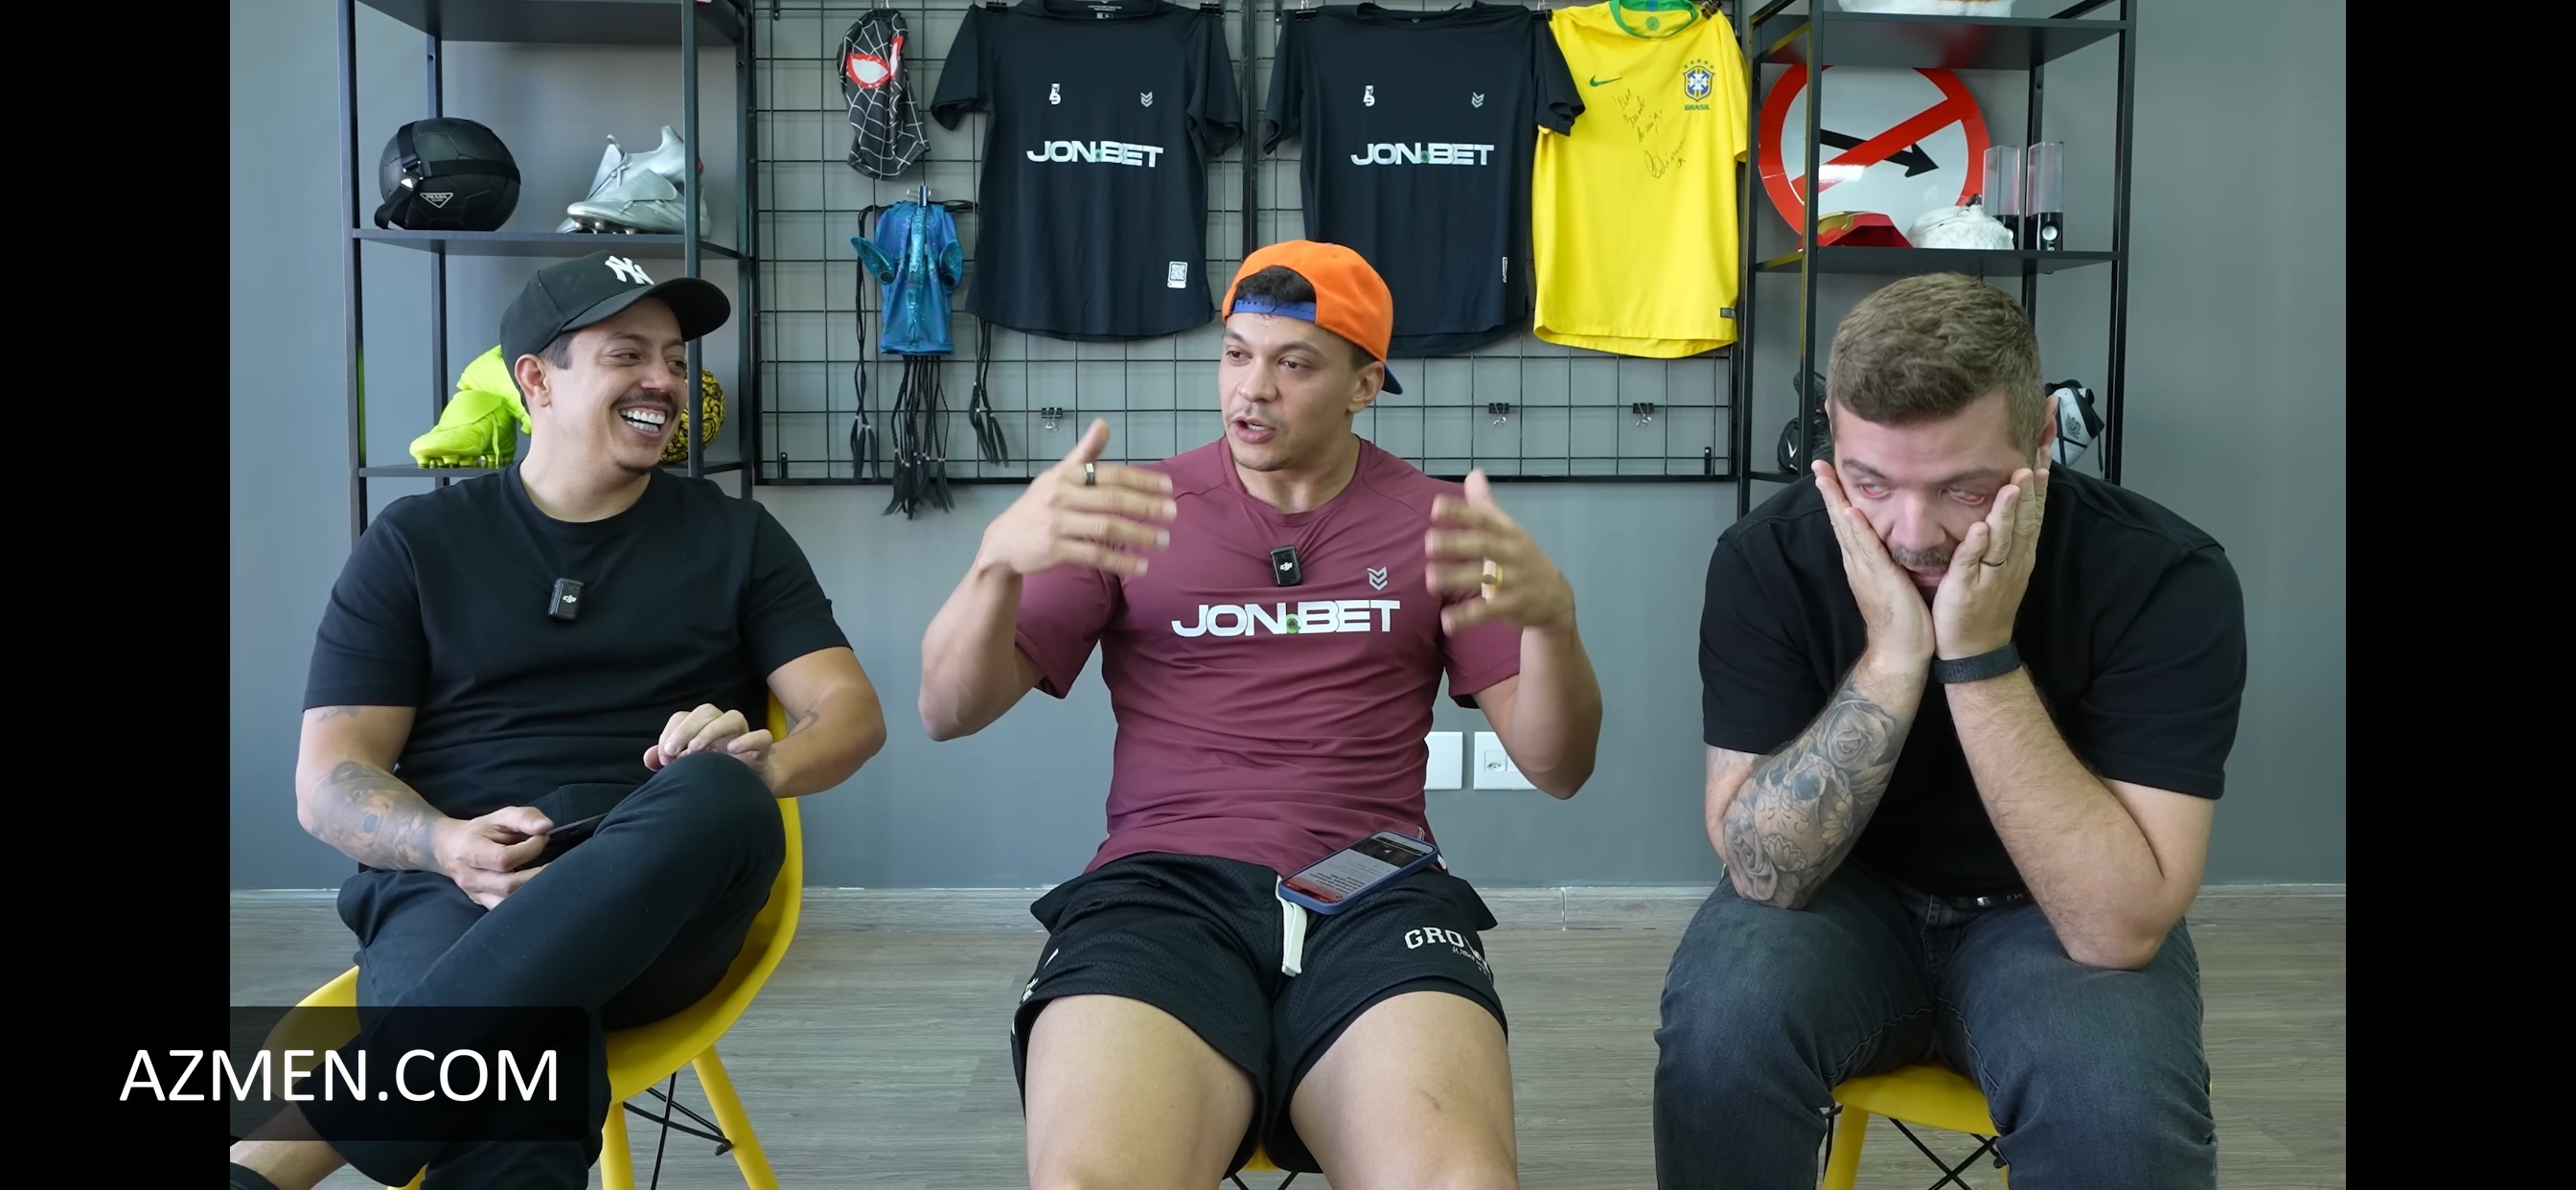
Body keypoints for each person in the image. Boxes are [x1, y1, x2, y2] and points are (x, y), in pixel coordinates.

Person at [918, 240, 1604, 1190]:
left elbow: (1557, 767)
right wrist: (995, 565)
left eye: (1294, 364)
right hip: (1164, 886)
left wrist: (1556, 626)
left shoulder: (1439, 522)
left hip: (1377, 884)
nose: (1253, 388)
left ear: (1364, 386)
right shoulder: (1135, 508)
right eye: (1237, 354)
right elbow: (947, 711)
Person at [228, 251, 888, 1190]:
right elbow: (330, 780)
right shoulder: (415, 543)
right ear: (536, 380)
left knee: (718, 790)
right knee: (522, 1069)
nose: (665, 380)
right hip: (451, 894)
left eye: (675, 359)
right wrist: (446, 844)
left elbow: (850, 713)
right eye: (629, 354)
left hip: (661, 907)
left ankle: (281, 1154)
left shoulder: (736, 536)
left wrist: (760, 764)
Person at [1654, 273, 2245, 1188]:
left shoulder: (2164, 577)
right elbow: (1764, 872)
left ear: (2042, 438)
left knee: (2116, 1108)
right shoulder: (1766, 559)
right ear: (1830, 439)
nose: (1912, 533)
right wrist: (1894, 658)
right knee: (1720, 1034)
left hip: (2049, 920)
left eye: (1964, 489)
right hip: (1845, 905)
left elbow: (2117, 931)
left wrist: (1977, 657)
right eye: (1870, 483)